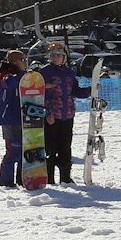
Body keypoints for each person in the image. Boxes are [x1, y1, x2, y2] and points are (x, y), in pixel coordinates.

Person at [39, 44, 90, 184]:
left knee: (65, 147)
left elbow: (75, 91)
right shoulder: (44, 72)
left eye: (59, 55)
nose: (56, 58)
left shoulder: (69, 72)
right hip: (51, 115)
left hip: (67, 114)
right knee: (50, 148)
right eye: (53, 55)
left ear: (64, 57)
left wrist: (90, 90)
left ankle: (65, 177)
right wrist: (47, 112)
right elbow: (41, 94)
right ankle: (49, 179)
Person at [0, 50, 29, 188]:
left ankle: (21, 178)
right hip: (9, 119)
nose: (24, 63)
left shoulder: (23, 75)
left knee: (23, 151)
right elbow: (10, 84)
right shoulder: (5, 76)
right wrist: (20, 71)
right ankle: (6, 181)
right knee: (12, 151)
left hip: (22, 118)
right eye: (22, 60)